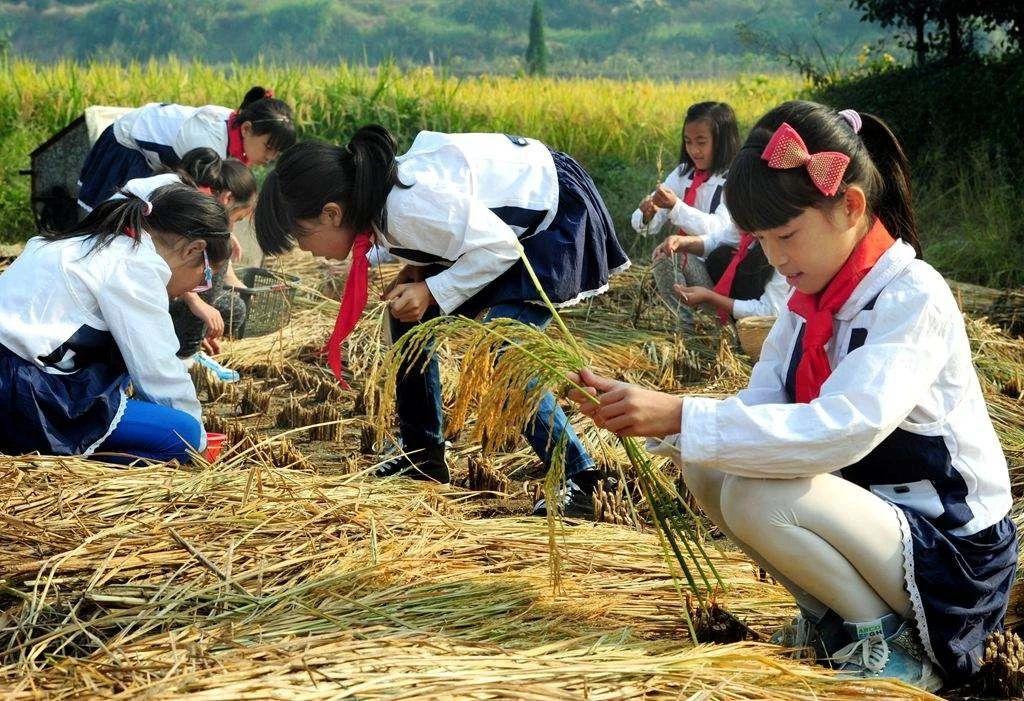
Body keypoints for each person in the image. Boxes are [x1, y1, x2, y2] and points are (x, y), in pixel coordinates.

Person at [569, 101, 1016, 691]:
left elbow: (843, 428)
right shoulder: (807, 308)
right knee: (708, 465)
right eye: (762, 240)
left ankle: (886, 640)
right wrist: (660, 418)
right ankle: (833, 620)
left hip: (950, 555)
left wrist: (680, 413)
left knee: (753, 492)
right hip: (872, 525)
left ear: (850, 207)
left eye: (786, 236)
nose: (775, 258)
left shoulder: (912, 297)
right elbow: (763, 407)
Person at [254, 126, 630, 517]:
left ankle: (580, 476)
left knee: (503, 352)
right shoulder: (377, 203)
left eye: (303, 237)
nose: (305, 250)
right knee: (410, 319)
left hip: (548, 221)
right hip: (498, 232)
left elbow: (500, 246)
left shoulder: (406, 207)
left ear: (332, 213)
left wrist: (432, 290)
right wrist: (419, 273)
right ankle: (423, 454)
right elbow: (451, 233)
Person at [0, 180, 232, 462]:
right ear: (193, 250)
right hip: (19, 391)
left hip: (17, 377)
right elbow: (159, 372)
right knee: (181, 433)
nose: (196, 289)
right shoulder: (135, 265)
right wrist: (199, 443)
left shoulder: (100, 242)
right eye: (206, 277)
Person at [632, 101, 787, 328]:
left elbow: (717, 227)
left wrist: (677, 208)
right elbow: (725, 235)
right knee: (666, 255)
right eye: (688, 142)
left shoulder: (735, 181)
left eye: (701, 142)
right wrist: (649, 213)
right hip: (713, 275)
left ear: (722, 142)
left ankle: (722, 327)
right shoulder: (683, 174)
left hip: (731, 286)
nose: (694, 150)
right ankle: (683, 331)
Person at [77, 86, 294, 211]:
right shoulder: (209, 145)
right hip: (127, 148)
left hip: (157, 154)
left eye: (277, 152)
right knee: (116, 221)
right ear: (247, 129)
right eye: (269, 147)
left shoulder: (235, 123)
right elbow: (198, 200)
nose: (270, 157)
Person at [166, 149, 257, 356]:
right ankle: (187, 350)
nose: (233, 228)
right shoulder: (192, 209)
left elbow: (225, 273)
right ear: (227, 198)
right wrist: (198, 305)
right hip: (164, 293)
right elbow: (170, 266)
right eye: (238, 219)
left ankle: (197, 334)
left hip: (182, 293)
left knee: (236, 308)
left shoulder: (206, 208)